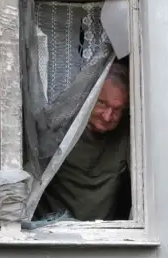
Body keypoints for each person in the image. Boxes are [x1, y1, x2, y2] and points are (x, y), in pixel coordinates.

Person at [35, 62, 132, 221]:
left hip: (103, 237)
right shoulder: (60, 130)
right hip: (52, 233)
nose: (107, 116)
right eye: (102, 103)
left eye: (117, 109)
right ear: (89, 96)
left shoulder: (128, 138)